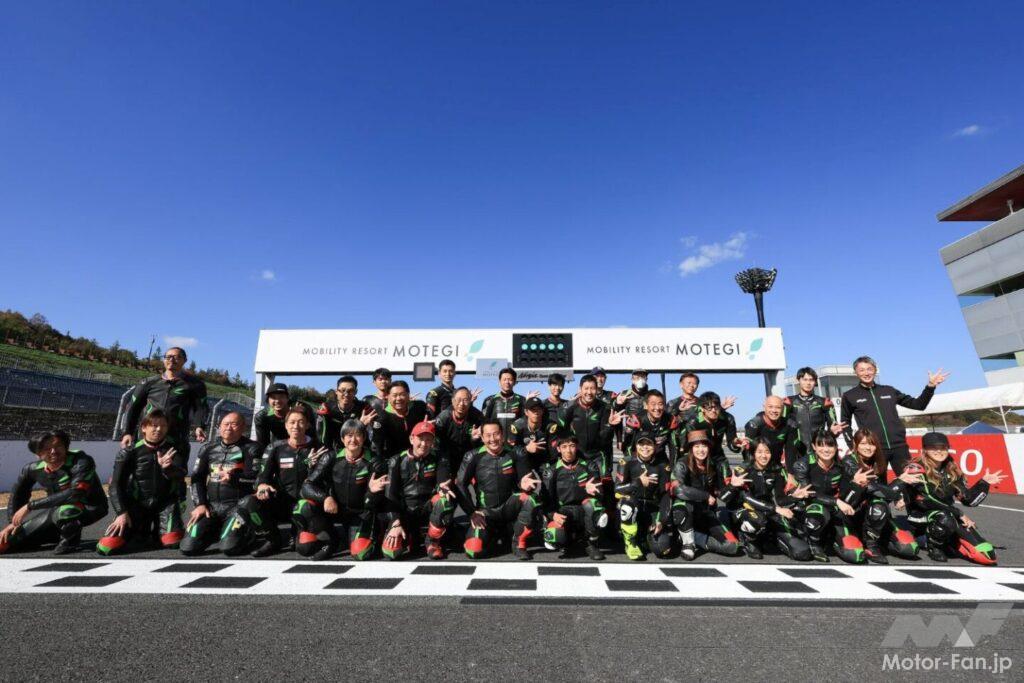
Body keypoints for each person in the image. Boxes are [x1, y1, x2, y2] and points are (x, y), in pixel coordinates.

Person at [903, 432, 1006, 565]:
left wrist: (984, 483)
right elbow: (926, 501)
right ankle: (933, 545)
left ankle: (946, 538)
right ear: (924, 450)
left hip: (949, 515)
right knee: (944, 517)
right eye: (933, 448)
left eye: (943, 447)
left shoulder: (952, 470)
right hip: (919, 515)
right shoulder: (915, 468)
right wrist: (959, 514)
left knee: (986, 554)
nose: (939, 451)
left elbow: (968, 500)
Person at [0, 431, 108, 555]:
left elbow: (75, 493)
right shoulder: (31, 469)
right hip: (55, 511)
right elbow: (18, 495)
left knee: (66, 511)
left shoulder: (82, 461)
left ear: (66, 447)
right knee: (6, 543)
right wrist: (13, 523)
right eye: (47, 448)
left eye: (58, 446)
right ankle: (56, 533)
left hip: (91, 508)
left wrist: (31, 505)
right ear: (37, 454)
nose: (53, 451)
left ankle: (70, 541)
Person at [97, 411, 186, 555]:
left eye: (163, 426)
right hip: (137, 504)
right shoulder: (129, 452)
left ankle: (158, 532)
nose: (159, 429)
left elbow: (181, 475)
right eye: (154, 425)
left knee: (173, 541)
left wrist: (167, 468)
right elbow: (115, 485)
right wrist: (121, 513)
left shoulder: (175, 449)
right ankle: (141, 530)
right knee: (106, 547)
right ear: (144, 427)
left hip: (165, 504)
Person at [296, 419, 386, 561]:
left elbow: (375, 502)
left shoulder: (374, 461)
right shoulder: (330, 457)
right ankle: (331, 539)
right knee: (303, 508)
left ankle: (374, 535)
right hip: (335, 510)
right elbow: (307, 486)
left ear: (364, 438)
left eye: (357, 435)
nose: (353, 440)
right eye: (349, 435)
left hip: (360, 513)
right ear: (343, 439)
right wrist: (325, 498)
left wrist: (372, 493)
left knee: (360, 553)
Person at [840, 356, 948, 474]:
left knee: (910, 481)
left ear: (875, 370)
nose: (866, 373)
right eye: (862, 370)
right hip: (873, 449)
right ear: (855, 372)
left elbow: (919, 405)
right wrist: (852, 446)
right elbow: (845, 423)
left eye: (869, 369)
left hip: (899, 447)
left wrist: (930, 387)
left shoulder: (889, 390)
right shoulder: (850, 395)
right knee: (876, 485)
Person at [246, 407, 328, 557]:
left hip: (306, 504)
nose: (296, 426)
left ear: (308, 425)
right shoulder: (275, 447)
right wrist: (262, 485)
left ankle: (298, 531)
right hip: (282, 501)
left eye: (301, 422)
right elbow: (262, 476)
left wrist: (312, 466)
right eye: (292, 422)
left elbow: (323, 481)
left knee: (304, 549)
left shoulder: (319, 448)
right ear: (286, 425)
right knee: (250, 502)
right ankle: (272, 539)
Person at [181, 412, 264, 557]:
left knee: (229, 548)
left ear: (243, 427)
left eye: (234, 424)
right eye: (225, 424)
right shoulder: (208, 448)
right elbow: (197, 478)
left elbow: (257, 479)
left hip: (238, 507)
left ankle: (249, 533)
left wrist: (233, 477)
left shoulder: (253, 448)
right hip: (212, 507)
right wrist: (200, 504)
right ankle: (217, 530)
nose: (229, 428)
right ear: (219, 427)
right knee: (188, 547)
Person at [455, 421, 541, 560]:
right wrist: (472, 513)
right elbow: (460, 484)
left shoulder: (516, 453)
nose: (493, 439)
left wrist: (526, 485)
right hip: (486, 513)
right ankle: (493, 534)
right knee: (473, 550)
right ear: (482, 437)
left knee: (531, 498)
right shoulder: (472, 456)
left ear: (502, 435)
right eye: (488, 435)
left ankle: (518, 543)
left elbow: (528, 482)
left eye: (496, 434)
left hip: (509, 509)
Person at [838, 429, 921, 564]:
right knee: (854, 555)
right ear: (855, 444)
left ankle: (877, 538)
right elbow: (871, 488)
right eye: (863, 443)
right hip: (848, 512)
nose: (868, 447)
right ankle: (870, 545)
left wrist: (901, 482)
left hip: (869, 513)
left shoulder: (877, 462)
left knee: (909, 548)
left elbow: (882, 490)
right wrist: (897, 490)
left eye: (871, 444)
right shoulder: (849, 461)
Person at [722, 438, 809, 561]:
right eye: (759, 452)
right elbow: (747, 499)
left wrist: (794, 497)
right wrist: (776, 509)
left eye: (767, 452)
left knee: (802, 552)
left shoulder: (776, 470)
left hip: (767, 511)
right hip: (744, 511)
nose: (764, 456)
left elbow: (780, 499)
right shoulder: (743, 470)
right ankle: (748, 538)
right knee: (758, 519)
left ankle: (770, 537)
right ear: (753, 453)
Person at [382, 422, 456, 560]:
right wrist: (395, 522)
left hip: (428, 509)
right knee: (390, 553)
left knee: (443, 501)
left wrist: (443, 488)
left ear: (433, 442)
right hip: (405, 512)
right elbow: (390, 496)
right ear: (411, 439)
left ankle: (432, 542)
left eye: (428, 440)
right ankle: (410, 537)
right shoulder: (396, 460)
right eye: (420, 439)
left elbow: (443, 481)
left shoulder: (440, 458)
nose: (424, 443)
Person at [118, 346, 208, 455]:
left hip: (176, 439)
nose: (171, 360)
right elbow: (133, 407)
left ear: (185, 360)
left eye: (176, 357)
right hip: (148, 438)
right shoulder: (148, 383)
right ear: (164, 360)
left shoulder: (195, 385)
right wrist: (127, 432)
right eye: (168, 357)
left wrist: (199, 426)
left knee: (174, 466)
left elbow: (201, 408)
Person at [789, 432, 863, 564]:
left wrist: (855, 484)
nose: (826, 450)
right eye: (821, 445)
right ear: (814, 447)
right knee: (817, 513)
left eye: (830, 445)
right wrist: (836, 501)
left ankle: (831, 536)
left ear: (836, 447)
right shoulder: (802, 465)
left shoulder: (842, 465)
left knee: (855, 555)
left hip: (833, 509)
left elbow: (845, 495)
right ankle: (813, 542)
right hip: (808, 507)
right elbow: (809, 493)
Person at [668, 430, 741, 560]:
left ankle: (692, 537)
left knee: (732, 546)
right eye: (696, 446)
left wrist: (732, 486)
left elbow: (722, 495)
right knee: (682, 506)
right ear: (691, 448)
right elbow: (678, 490)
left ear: (709, 448)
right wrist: (706, 496)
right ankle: (688, 543)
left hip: (706, 514)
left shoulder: (713, 465)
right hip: (687, 513)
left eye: (704, 446)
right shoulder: (682, 464)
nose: (701, 450)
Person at [540, 436, 607, 560]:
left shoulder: (589, 466)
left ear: (576, 447)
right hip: (564, 512)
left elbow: (601, 494)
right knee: (556, 535)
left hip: (584, 510)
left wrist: (595, 492)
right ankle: (566, 542)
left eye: (571, 446)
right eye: (564, 447)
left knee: (592, 504)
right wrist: (552, 515)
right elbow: (545, 500)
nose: (568, 450)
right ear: (559, 449)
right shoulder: (551, 471)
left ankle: (591, 543)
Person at [614, 435, 673, 561]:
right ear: (636, 446)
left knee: (662, 548)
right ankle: (630, 542)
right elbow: (617, 489)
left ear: (655, 446)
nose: (645, 447)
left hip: (652, 507)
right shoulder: (626, 462)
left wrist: (661, 520)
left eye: (649, 444)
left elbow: (665, 495)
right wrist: (638, 482)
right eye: (641, 444)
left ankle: (643, 537)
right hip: (632, 506)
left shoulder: (663, 465)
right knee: (628, 504)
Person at [675, 392, 744, 465]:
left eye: (716, 407)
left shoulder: (728, 418)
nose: (713, 410)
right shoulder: (693, 421)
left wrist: (735, 443)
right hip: (696, 457)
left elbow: (732, 442)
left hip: (718, 456)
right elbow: (687, 446)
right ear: (702, 409)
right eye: (709, 408)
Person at [784, 367, 845, 446]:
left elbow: (834, 428)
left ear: (815, 382)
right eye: (805, 379)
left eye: (811, 380)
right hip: (795, 449)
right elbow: (781, 428)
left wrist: (834, 433)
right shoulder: (788, 401)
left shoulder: (825, 402)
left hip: (819, 447)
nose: (808, 383)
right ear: (798, 380)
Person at [433, 387, 485, 478]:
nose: (461, 404)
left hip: (468, 459)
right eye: (458, 400)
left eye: (465, 400)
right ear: (452, 401)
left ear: (470, 401)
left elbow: (482, 444)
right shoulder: (444, 417)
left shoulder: (477, 416)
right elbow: (436, 443)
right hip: (446, 459)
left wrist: (474, 439)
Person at [370, 381, 429, 460]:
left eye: (402, 394)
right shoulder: (381, 418)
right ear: (388, 396)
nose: (398, 398)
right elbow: (376, 447)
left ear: (408, 395)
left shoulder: (419, 407)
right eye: (394, 395)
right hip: (394, 460)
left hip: (419, 456)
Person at [742, 396, 803, 472]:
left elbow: (791, 452)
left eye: (778, 407)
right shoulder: (754, 425)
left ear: (783, 409)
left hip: (777, 466)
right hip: (757, 467)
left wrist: (791, 473)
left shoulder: (789, 425)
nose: (774, 410)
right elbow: (748, 453)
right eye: (770, 407)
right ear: (764, 407)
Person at [316, 375, 375, 451]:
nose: (346, 394)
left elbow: (372, 437)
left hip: (357, 449)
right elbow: (322, 437)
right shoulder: (327, 408)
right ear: (336, 391)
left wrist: (362, 426)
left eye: (350, 391)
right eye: (343, 390)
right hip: (334, 450)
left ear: (356, 392)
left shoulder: (364, 409)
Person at [254, 383, 316, 449]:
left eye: (281, 397)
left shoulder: (303, 409)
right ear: (268, 400)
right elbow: (263, 444)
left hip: (302, 446)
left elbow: (312, 436)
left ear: (287, 398)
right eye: (273, 397)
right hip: (278, 447)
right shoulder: (262, 416)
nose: (277, 401)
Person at [622, 389, 677, 463]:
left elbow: (674, 447)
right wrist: (631, 465)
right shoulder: (635, 420)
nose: (657, 408)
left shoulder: (671, 420)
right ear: (645, 405)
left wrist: (672, 467)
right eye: (653, 404)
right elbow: (627, 447)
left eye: (660, 404)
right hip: (639, 458)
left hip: (659, 458)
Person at [481, 367, 535, 436]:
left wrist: (529, 404)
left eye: (510, 380)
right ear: (499, 382)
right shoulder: (489, 400)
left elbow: (527, 420)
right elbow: (484, 422)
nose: (507, 382)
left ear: (514, 382)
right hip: (496, 440)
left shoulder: (522, 400)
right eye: (504, 379)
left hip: (516, 440)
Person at [508, 397, 552, 470]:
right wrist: (526, 449)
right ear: (526, 412)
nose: (536, 412)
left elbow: (554, 451)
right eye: (532, 410)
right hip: (523, 462)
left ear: (542, 411)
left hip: (544, 462)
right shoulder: (517, 427)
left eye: (538, 409)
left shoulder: (549, 426)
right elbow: (510, 452)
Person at [667, 372, 736, 417]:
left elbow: (710, 417)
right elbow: (666, 421)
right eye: (689, 383)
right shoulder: (672, 403)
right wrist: (678, 410)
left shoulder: (703, 401)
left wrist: (722, 408)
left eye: (695, 383)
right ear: (681, 384)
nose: (692, 386)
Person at [614, 369, 650, 446]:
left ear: (646, 379)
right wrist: (619, 439)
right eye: (637, 377)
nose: (640, 380)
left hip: (648, 436)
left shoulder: (651, 395)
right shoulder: (624, 394)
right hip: (630, 436)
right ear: (632, 379)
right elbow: (618, 418)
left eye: (642, 377)